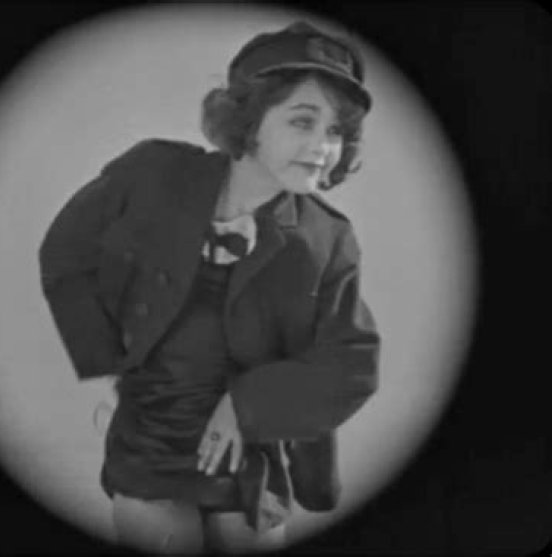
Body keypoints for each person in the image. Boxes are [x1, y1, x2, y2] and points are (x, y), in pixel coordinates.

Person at [39, 20, 380, 555]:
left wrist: (249, 405)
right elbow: (67, 250)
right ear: (248, 118)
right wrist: (106, 357)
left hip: (252, 456)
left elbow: (351, 363)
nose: (322, 147)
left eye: (336, 131)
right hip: (151, 443)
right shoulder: (153, 173)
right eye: (302, 121)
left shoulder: (327, 238)